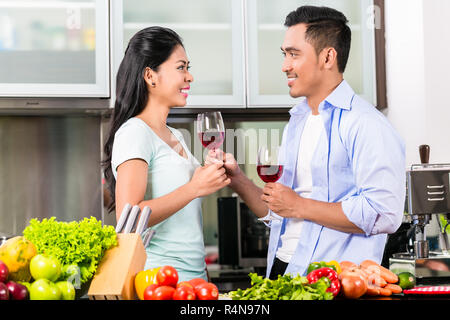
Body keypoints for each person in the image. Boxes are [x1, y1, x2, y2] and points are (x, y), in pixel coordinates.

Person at [209, 6, 405, 279]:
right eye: (284, 54)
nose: (284, 65)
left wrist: (299, 205)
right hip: (282, 270)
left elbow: (384, 214)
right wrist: (238, 180)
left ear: (327, 57)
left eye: (293, 54)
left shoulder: (366, 125)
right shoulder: (297, 123)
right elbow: (280, 210)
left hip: (333, 284)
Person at [102, 26, 230, 281]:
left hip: (194, 279)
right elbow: (128, 216)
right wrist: (195, 187)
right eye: (181, 67)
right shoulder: (134, 132)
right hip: (159, 279)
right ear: (151, 76)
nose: (190, 76)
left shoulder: (176, 134)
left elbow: (186, 218)